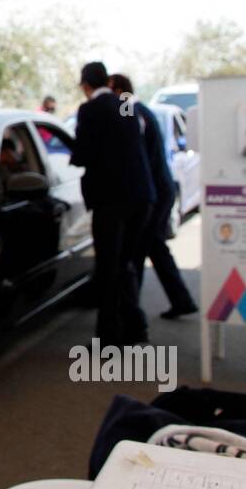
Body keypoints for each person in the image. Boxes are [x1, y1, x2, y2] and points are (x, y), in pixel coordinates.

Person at [69, 61, 155, 346]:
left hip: (111, 201)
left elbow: (81, 154)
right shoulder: (126, 104)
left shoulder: (88, 110)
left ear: (85, 86)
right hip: (141, 197)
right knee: (125, 264)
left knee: (107, 268)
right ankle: (135, 327)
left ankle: (108, 339)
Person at [109, 74, 197, 320]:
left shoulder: (129, 110)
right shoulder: (142, 110)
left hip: (152, 194)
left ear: (117, 90)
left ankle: (131, 316)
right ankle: (181, 300)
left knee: (134, 253)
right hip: (159, 189)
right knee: (155, 247)